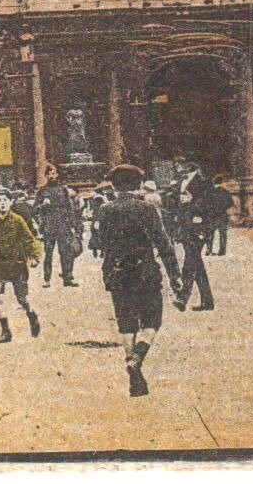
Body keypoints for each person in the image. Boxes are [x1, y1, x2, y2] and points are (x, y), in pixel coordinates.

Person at [99, 164, 183, 397]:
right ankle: (137, 358)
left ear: (114, 187)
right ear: (137, 185)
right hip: (145, 271)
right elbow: (163, 243)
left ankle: (131, 365)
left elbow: (101, 244)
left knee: (126, 322)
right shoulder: (147, 209)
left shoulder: (105, 210)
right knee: (152, 320)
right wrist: (175, 275)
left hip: (117, 273)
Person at [0, 186, 42, 344]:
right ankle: (5, 331)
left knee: (21, 298)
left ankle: (32, 315)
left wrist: (35, 257)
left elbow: (29, 239)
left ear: (11, 202)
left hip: (16, 263)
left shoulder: (18, 220)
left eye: (5, 200)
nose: (2, 203)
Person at [37, 166, 82, 287]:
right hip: (49, 225)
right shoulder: (42, 191)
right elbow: (36, 209)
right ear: (46, 176)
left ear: (57, 175)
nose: (51, 176)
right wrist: (43, 206)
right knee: (48, 253)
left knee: (66, 252)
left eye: (53, 173)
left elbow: (69, 208)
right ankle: (47, 279)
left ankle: (67, 278)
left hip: (63, 225)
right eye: (49, 174)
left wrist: (73, 225)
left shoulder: (63, 190)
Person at [173, 184, 215, 312]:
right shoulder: (183, 208)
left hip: (195, 242)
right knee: (199, 272)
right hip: (188, 241)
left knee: (188, 269)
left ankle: (182, 299)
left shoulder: (196, 208)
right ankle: (207, 302)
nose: (182, 197)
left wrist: (203, 235)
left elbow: (207, 223)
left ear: (191, 196)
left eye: (185, 194)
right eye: (181, 195)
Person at [202, 175, 234, 256]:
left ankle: (208, 250)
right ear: (222, 182)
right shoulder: (225, 192)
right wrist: (223, 208)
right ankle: (222, 251)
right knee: (222, 234)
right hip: (222, 215)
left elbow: (204, 203)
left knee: (209, 233)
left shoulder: (208, 192)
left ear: (214, 182)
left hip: (211, 215)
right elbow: (230, 203)